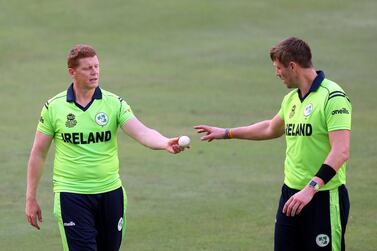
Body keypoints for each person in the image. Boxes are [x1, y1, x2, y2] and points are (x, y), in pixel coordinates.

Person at [195, 37, 351, 251]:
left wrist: (311, 188)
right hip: (290, 195)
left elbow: (341, 151)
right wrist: (226, 133)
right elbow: (271, 128)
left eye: (279, 68)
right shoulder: (291, 100)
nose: (277, 73)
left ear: (293, 66)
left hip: (323, 197)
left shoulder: (333, 97)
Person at [25, 44, 186, 251]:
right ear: (72, 72)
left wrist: (164, 142)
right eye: (87, 68)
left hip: (111, 193)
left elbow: (142, 132)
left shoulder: (114, 103)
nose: (95, 72)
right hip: (72, 195)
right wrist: (31, 198)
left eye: (97, 66)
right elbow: (38, 153)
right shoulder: (54, 107)